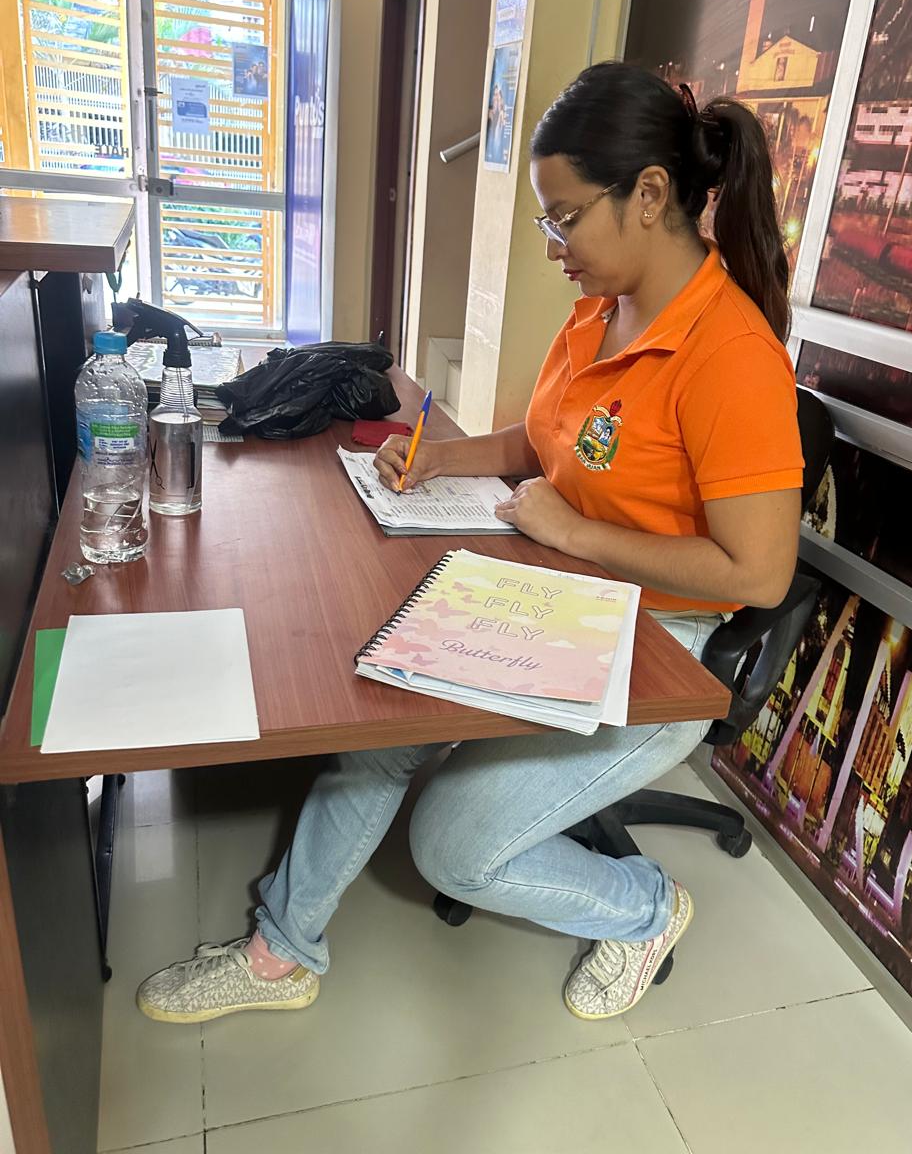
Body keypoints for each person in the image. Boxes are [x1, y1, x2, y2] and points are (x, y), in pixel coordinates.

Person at [137, 62, 803, 1026]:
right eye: (547, 219)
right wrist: (440, 458)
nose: (553, 246)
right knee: (380, 716)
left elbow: (760, 572)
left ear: (650, 194)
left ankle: (647, 909)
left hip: (658, 649)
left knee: (450, 847)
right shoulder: (602, 307)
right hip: (554, 588)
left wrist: (574, 530)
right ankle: (279, 953)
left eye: (565, 217)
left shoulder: (731, 356)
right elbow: (545, 442)